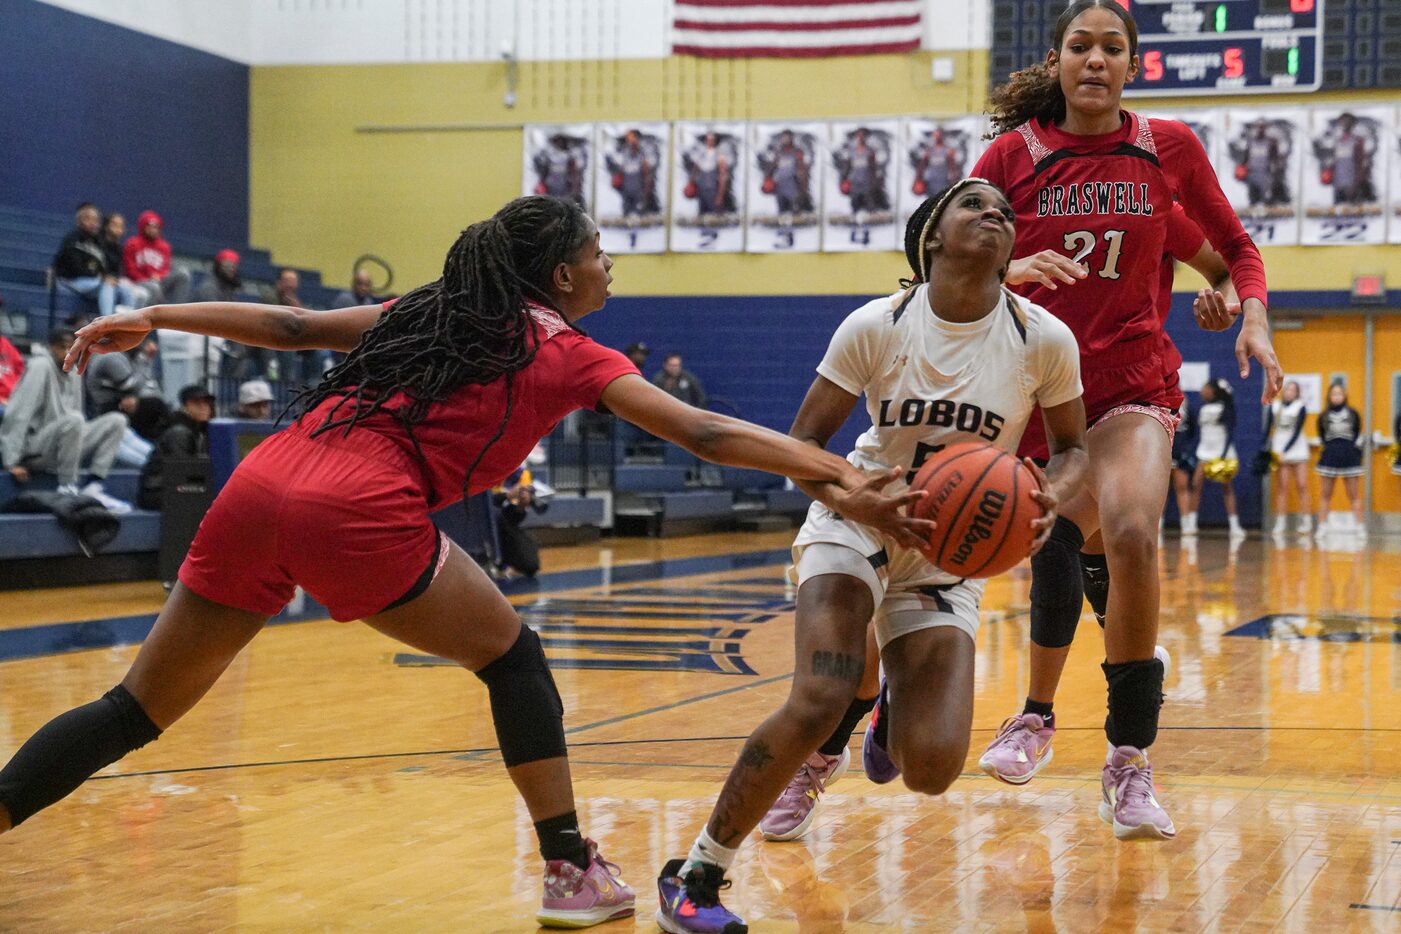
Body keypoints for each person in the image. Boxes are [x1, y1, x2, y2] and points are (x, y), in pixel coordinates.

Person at [14, 196, 918, 930]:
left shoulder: (428, 309)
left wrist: (154, 316)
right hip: (358, 505)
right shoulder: (565, 347)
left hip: (262, 481)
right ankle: (569, 870)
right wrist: (842, 471)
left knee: (133, 708)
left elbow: (289, 325)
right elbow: (706, 430)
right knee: (512, 658)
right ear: (563, 275)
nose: (611, 265)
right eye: (601, 252)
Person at [655, 180, 1089, 933]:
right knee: (819, 695)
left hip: (948, 556)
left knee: (929, 770)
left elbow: (1077, 447)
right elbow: (802, 448)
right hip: (857, 519)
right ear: (931, 236)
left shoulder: (1043, 337)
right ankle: (697, 873)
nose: (995, 213)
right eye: (973, 204)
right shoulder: (876, 325)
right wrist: (851, 498)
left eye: (1005, 212)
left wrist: (1052, 491)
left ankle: (890, 696)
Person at [967, 0, 1280, 841]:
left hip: (1133, 383)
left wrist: (1242, 308)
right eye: (1080, 45)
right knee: (1064, 546)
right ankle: (1035, 713)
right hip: (1035, 392)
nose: (1095, 59)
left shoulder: (1164, 149)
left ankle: (1128, 759)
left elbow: (1229, 249)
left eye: (1112, 47)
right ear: (1059, 60)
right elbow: (946, 250)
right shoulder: (1011, 155)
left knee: (1133, 530)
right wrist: (1005, 266)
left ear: (1133, 64)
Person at [0, 327, 130, 511]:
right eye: (63, 347)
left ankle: (94, 485)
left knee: (117, 420)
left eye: (72, 347)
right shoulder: (40, 366)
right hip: (35, 448)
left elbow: (77, 419)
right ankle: (67, 487)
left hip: (65, 443)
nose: (68, 352)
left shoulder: (75, 370)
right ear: (50, 347)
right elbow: (18, 414)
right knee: (74, 419)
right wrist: (11, 461)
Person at [137, 385, 215, 510]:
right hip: (157, 492)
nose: (203, 407)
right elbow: (181, 473)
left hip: (173, 489)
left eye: (206, 402)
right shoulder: (179, 432)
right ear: (185, 407)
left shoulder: (201, 431)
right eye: (196, 403)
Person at [53, 203, 138, 317]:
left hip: (92, 281)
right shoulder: (72, 239)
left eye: (95, 219)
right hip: (71, 280)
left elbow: (102, 265)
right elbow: (74, 267)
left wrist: (106, 276)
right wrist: (101, 277)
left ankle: (128, 327)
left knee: (125, 289)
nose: (92, 222)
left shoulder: (98, 241)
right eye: (88, 219)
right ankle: (107, 325)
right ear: (79, 220)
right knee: (107, 285)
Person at [1187, 379, 1244, 539]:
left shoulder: (1225, 408)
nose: (1202, 391)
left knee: (1227, 488)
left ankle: (1234, 525)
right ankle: (1191, 523)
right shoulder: (1204, 407)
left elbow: (1231, 432)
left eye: (1205, 388)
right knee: (1195, 485)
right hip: (1204, 451)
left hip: (1221, 452)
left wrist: (1224, 454)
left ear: (1213, 391)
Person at [194, 250, 262, 381]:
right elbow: (213, 315)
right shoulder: (208, 287)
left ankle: (270, 374)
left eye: (233, 266)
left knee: (263, 342)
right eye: (226, 266)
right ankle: (230, 384)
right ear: (218, 267)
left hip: (222, 333)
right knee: (239, 343)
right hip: (203, 333)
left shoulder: (229, 289)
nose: (230, 270)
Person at [1315, 380, 1365, 536]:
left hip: (1349, 456)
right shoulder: (1323, 416)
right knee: (1325, 494)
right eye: (1334, 394)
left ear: (1344, 395)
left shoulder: (1353, 414)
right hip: (1330, 455)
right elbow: (1322, 436)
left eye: (1339, 393)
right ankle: (1322, 526)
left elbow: (1357, 432)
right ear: (1329, 396)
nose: (1337, 396)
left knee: (1354, 494)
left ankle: (1360, 526)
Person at [1264, 379, 1311, 536]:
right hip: (1279, 449)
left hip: (1297, 448)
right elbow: (1268, 428)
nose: (1289, 392)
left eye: (1293, 390)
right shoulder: (1275, 406)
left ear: (1297, 394)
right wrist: (1265, 448)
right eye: (1288, 389)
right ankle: (1280, 522)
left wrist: (1286, 449)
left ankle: (1306, 521)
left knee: (1302, 485)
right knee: (1282, 487)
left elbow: (1297, 430)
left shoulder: (1300, 407)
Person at [123, 210, 192, 306]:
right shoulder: (132, 243)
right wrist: (147, 279)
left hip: (159, 281)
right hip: (138, 281)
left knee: (183, 273)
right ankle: (155, 318)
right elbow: (129, 269)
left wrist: (159, 275)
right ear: (143, 226)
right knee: (154, 286)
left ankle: (178, 311)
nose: (153, 230)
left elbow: (165, 268)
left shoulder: (164, 246)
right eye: (150, 227)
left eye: (156, 227)